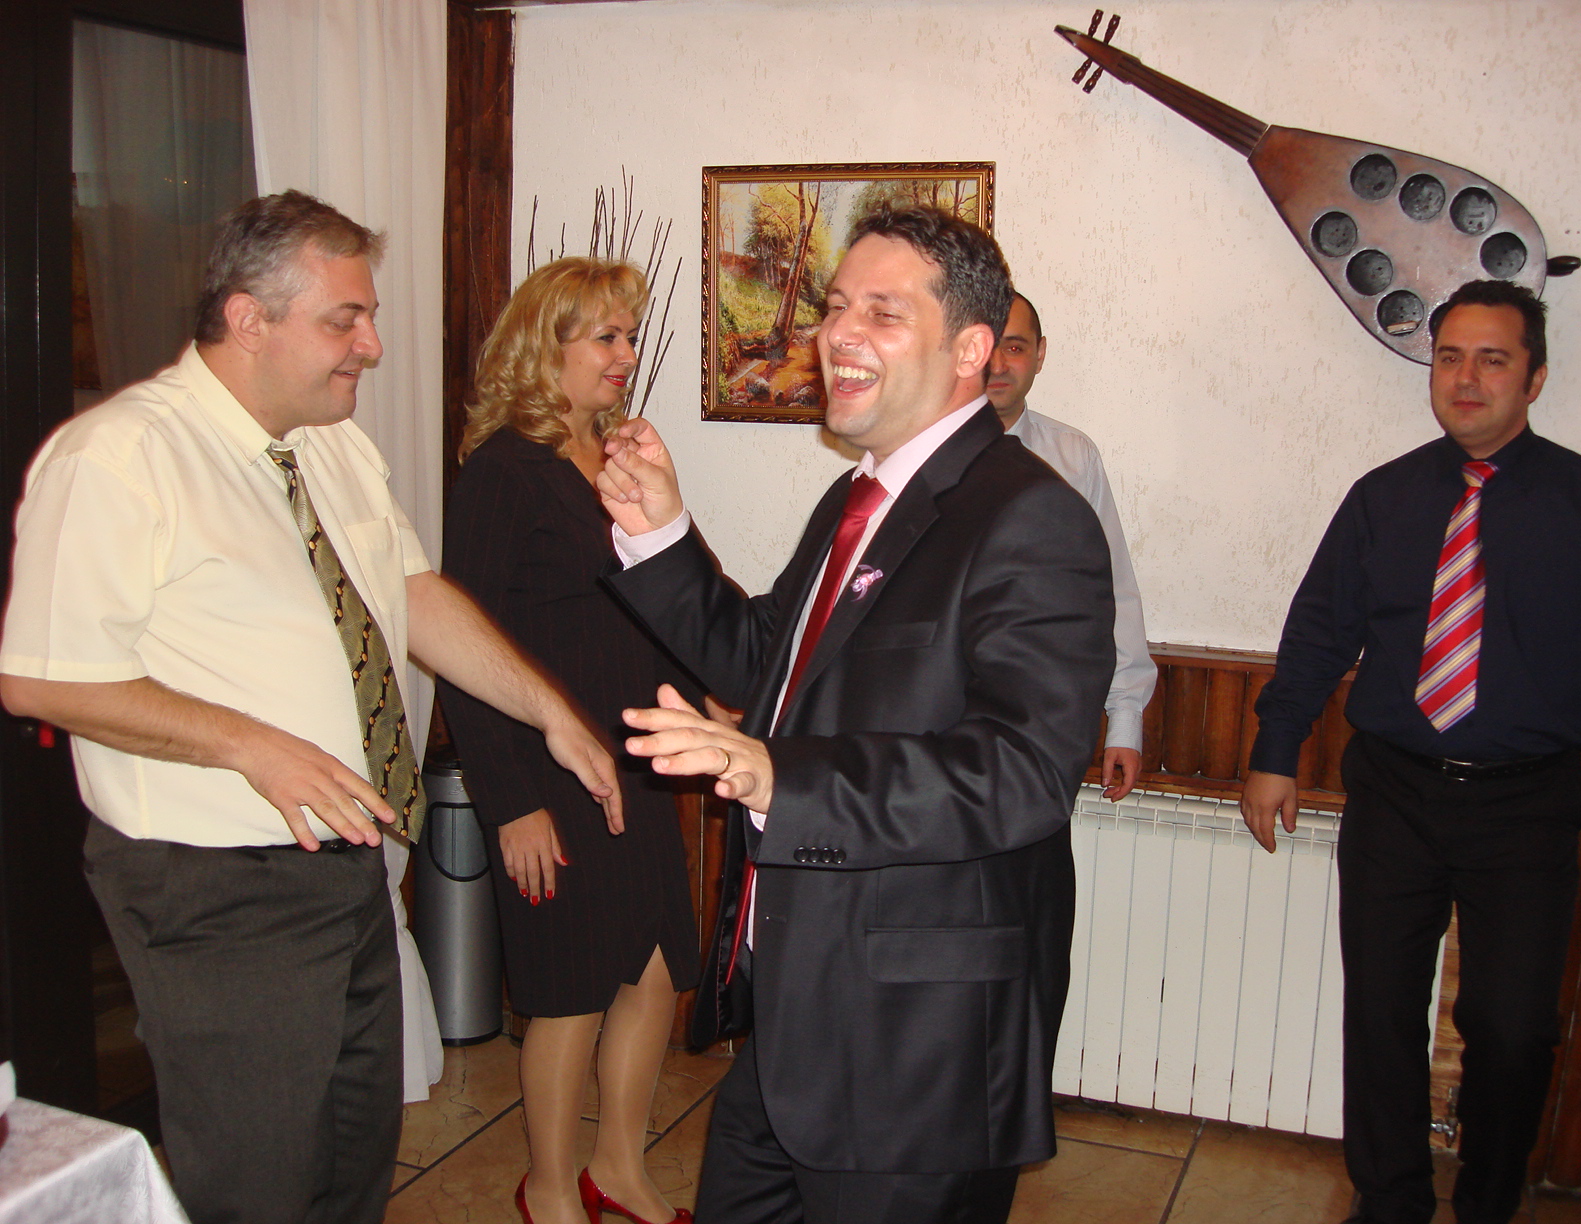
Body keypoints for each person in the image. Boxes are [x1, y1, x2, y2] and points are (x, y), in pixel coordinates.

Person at [0, 190, 623, 1224]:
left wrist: (546, 708)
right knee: (259, 1180)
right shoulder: (118, 456)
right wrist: (253, 747)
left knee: (349, 1160)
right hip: (213, 883)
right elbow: (42, 676)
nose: (371, 346)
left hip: (345, 866)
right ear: (249, 319)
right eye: (346, 319)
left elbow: (412, 593)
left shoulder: (328, 442)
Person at [597, 205, 1116, 1224]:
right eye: (836, 306)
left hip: (917, 1052)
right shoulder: (857, 499)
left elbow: (1021, 774)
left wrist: (779, 777)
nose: (836, 332)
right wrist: (663, 534)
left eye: (883, 311)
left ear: (969, 349)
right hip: (795, 1020)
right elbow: (770, 663)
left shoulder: (1032, 516)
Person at [1238, 279, 1581, 1224]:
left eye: (1493, 359)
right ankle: (1390, 1202)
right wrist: (1276, 749)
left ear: (1535, 378)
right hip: (1396, 794)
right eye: (1450, 358)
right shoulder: (1384, 498)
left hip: (1527, 804)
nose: (1466, 379)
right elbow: (1319, 632)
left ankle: (1488, 1202)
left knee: (1513, 1026)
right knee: (1380, 1012)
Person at [437, 257, 700, 1224]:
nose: (627, 354)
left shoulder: (623, 460)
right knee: (570, 989)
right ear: (544, 350)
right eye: (607, 337)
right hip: (546, 775)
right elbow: (463, 650)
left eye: (630, 335)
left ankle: (618, 1170)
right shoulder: (503, 470)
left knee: (654, 968)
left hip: (639, 765)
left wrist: (707, 707)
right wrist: (511, 803)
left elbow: (669, 596)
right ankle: (548, 1189)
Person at [986, 292, 1156, 799]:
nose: (998, 363)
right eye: (987, 344)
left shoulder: (1073, 459)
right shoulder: (915, 457)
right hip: (936, 720)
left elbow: (1113, 590)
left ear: (1039, 355)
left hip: (1042, 725)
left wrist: (1124, 719)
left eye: (1015, 347)